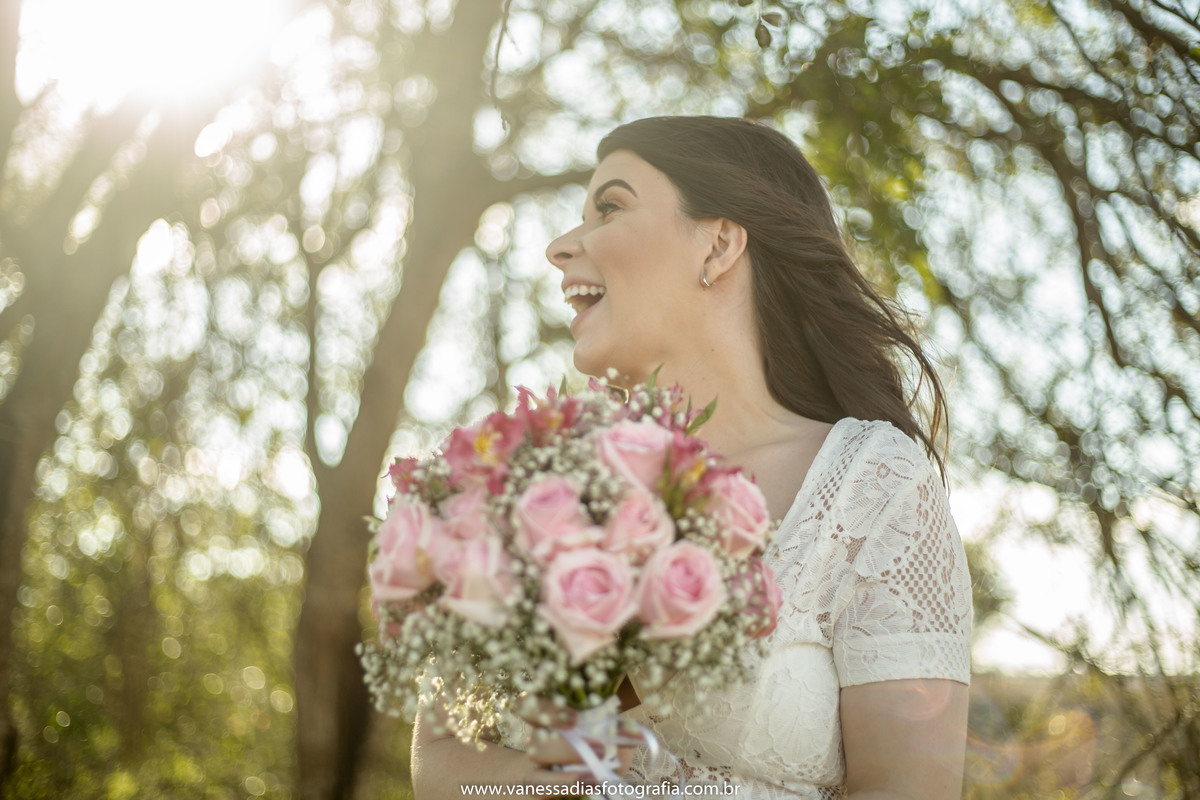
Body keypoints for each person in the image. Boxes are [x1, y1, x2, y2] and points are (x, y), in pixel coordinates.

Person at [411, 115, 973, 799]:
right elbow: (439, 766)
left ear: (718, 245)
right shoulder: (534, 479)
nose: (562, 248)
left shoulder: (874, 484)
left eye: (609, 207)